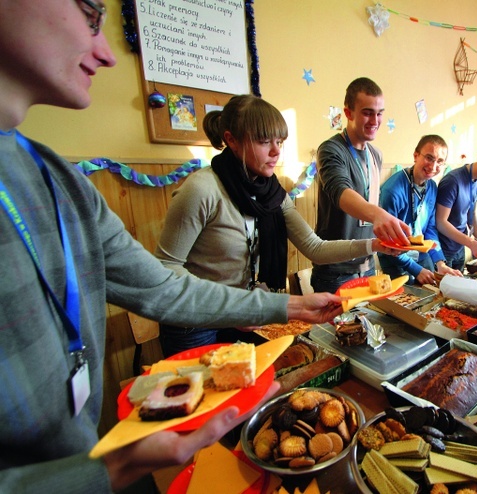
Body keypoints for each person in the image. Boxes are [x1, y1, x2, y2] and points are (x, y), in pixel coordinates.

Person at [0, 2, 344, 492]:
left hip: (92, 465)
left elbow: (160, 288)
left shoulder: (58, 180)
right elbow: (170, 278)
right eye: (90, 17)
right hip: (132, 424)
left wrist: (288, 305)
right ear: (233, 140)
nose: (108, 54)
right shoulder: (202, 188)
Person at [156, 95, 399, 356]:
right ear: (232, 140)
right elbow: (166, 267)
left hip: (246, 314)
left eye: (279, 142)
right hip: (194, 322)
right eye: (264, 142)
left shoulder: (272, 193)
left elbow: (314, 247)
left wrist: (374, 245)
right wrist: (230, 308)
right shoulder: (201, 190)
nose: (276, 152)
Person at [311, 77, 410, 293]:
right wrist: (377, 214)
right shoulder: (331, 150)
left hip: (367, 267)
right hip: (335, 271)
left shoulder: (376, 155)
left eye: (380, 113)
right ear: (348, 113)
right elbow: (341, 192)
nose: (375, 120)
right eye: (367, 112)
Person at [378, 135, 463, 285]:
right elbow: (386, 242)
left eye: (440, 161)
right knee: (405, 303)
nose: (433, 166)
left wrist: (440, 262)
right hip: (395, 259)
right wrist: (416, 270)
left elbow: (430, 228)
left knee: (434, 296)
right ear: (416, 155)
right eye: (429, 158)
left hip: (421, 256)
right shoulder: (392, 190)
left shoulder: (432, 187)